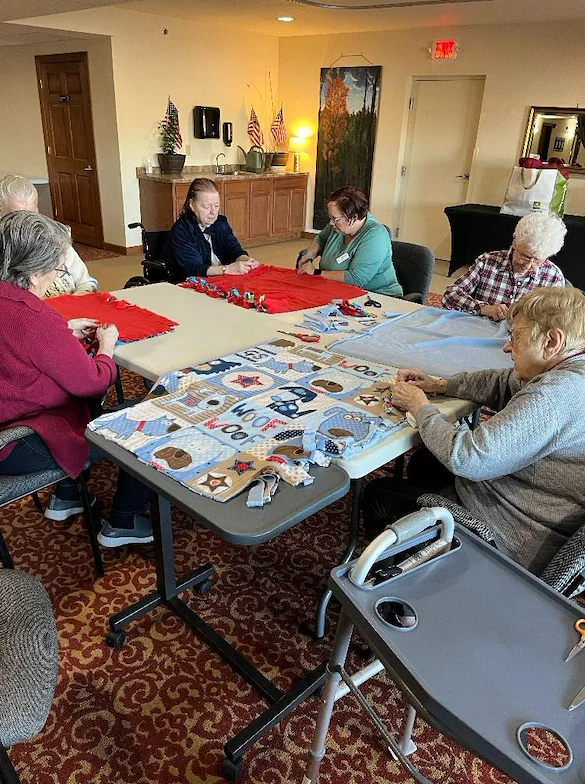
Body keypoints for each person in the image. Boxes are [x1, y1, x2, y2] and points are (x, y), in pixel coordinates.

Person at [362, 286, 585, 575]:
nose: (507, 347)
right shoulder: (570, 369)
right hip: (530, 502)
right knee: (425, 462)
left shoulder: (556, 396)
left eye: (515, 337)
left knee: (379, 495)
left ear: (552, 341)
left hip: (509, 536)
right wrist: (440, 385)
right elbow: (507, 382)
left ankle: (389, 590)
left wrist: (420, 406)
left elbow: (468, 458)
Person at [0, 211, 151, 548]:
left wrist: (63, 330)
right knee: (146, 417)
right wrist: (107, 349)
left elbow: (16, 345)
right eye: (57, 266)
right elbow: (93, 382)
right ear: (37, 271)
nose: (58, 273)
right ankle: (123, 521)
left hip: (9, 425)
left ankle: (67, 494)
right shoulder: (35, 317)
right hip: (19, 441)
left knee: (69, 392)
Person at [442, 211, 566, 320]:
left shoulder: (553, 277)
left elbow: (556, 321)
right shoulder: (488, 262)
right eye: (524, 256)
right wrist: (484, 308)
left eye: (537, 261)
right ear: (515, 243)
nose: (528, 266)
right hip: (478, 330)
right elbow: (450, 296)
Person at [0, 174, 98, 297]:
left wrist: (75, 300)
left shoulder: (57, 241)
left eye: (31, 215)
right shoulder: (5, 253)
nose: (26, 224)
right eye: (17, 217)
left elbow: (87, 282)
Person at [297, 186, 402, 297]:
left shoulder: (376, 235)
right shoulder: (338, 226)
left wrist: (316, 272)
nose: (331, 223)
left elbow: (357, 279)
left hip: (377, 297)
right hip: (337, 291)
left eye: (335, 219)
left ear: (354, 216)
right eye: (330, 217)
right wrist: (308, 258)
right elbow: (321, 239)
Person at [160, 177, 259, 278]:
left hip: (219, 279)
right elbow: (195, 269)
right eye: (206, 207)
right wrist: (227, 269)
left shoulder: (221, 223)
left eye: (216, 206)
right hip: (187, 283)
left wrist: (246, 260)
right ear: (192, 205)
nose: (213, 212)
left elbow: (235, 251)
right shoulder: (182, 230)